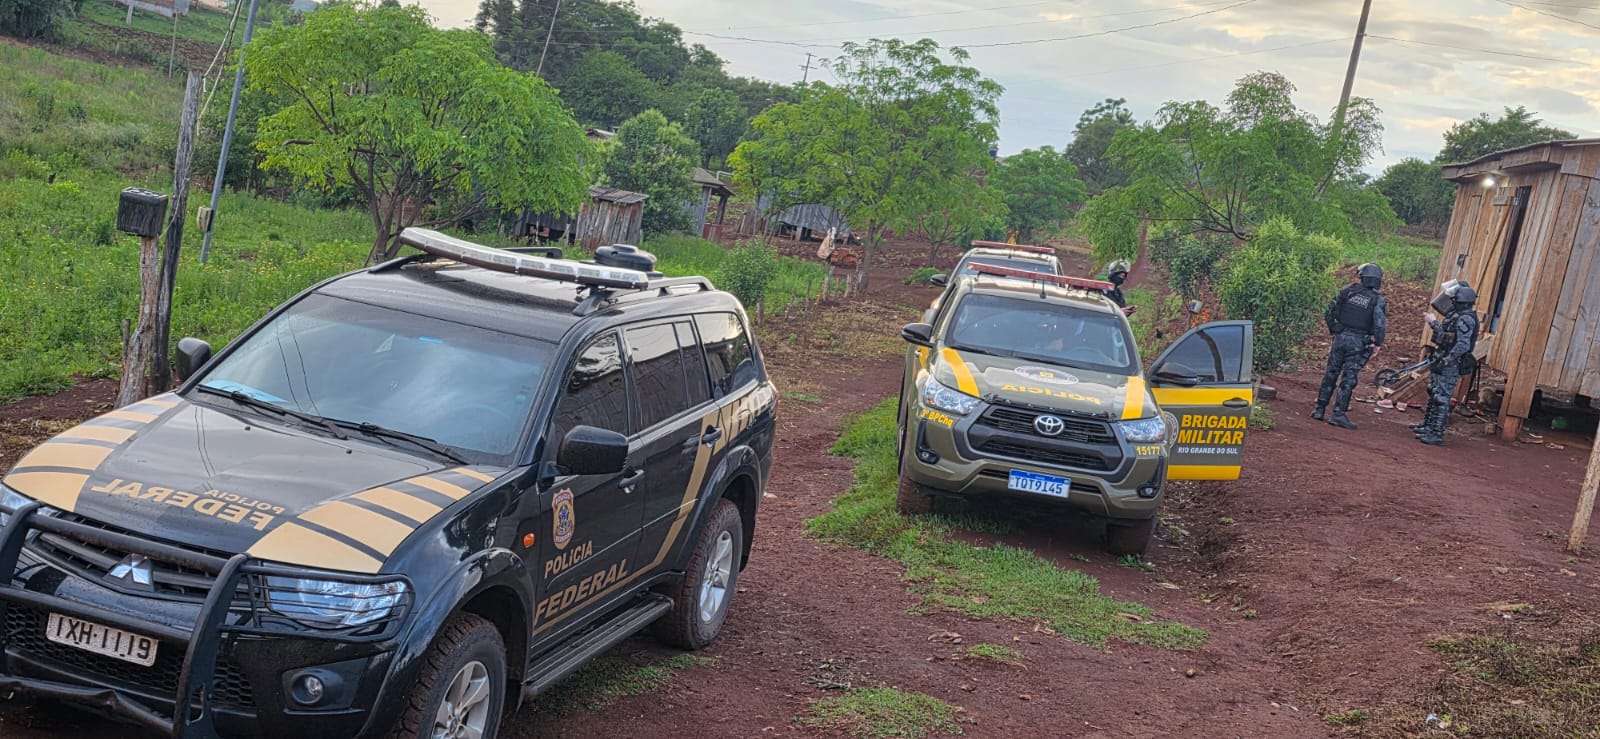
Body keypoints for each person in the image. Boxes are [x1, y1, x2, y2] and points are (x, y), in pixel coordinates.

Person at [1313, 263, 1386, 429]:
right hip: (1358, 342)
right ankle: (1338, 414)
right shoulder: (1378, 300)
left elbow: (1329, 311)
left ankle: (1320, 409)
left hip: (1340, 338)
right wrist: (1377, 343)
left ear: (1361, 276)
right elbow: (1379, 325)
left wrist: (1334, 328)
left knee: (1331, 373)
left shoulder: (1347, 291)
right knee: (1349, 378)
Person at [1414, 281, 1479, 446]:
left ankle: (1436, 433)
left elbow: (1462, 344)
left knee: (1442, 398)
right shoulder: (1457, 316)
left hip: (1451, 362)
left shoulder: (1465, 318)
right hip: (1443, 357)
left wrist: (1448, 359)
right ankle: (1428, 427)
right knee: (1434, 392)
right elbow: (1446, 335)